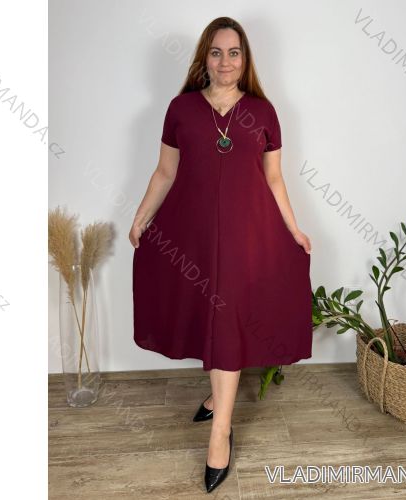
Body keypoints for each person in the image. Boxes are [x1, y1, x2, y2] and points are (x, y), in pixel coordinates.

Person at [129, 16, 313, 493]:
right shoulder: (181, 108)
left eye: (234, 52)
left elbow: (274, 179)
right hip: (192, 237)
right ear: (204, 58)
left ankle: (220, 432)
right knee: (207, 318)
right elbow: (165, 172)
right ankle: (217, 400)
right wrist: (141, 217)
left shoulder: (264, 111)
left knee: (228, 320)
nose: (225, 61)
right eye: (216, 52)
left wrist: (293, 229)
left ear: (244, 59)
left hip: (249, 238)